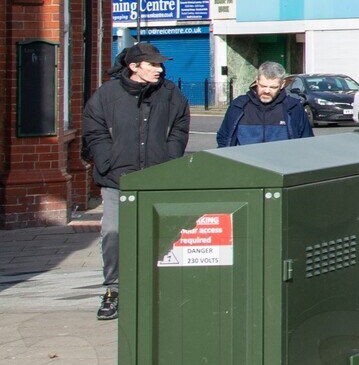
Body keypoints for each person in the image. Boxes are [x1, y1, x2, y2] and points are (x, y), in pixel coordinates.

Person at [81, 42, 191, 321]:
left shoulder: (170, 94)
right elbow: (93, 130)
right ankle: (113, 291)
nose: (159, 69)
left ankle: (164, 292)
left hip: (158, 178)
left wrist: (170, 157)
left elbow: (179, 126)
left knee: (164, 237)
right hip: (117, 180)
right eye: (153, 64)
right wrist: (107, 160)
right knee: (114, 234)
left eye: (160, 64)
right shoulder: (107, 95)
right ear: (134, 67)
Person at [216, 62, 313, 147]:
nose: (267, 91)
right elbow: (224, 139)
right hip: (245, 166)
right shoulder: (238, 105)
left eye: (273, 87)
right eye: (263, 86)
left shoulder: (294, 107)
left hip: (282, 166)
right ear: (257, 81)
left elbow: (307, 141)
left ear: (282, 85)